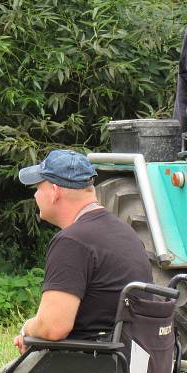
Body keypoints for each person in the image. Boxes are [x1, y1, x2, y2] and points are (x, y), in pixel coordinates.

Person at [14, 149, 153, 353]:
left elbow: (53, 328)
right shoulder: (125, 231)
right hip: (134, 356)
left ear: (54, 192)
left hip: (95, 363)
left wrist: (27, 329)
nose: (35, 194)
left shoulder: (72, 241)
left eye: (37, 187)